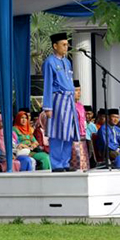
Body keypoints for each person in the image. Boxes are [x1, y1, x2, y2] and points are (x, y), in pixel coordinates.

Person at [42, 32, 80, 172]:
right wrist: (48, 106)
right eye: (63, 44)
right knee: (57, 132)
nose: (66, 47)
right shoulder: (49, 62)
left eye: (67, 44)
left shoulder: (67, 62)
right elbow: (47, 84)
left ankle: (65, 162)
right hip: (58, 99)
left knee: (69, 132)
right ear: (55, 45)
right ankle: (57, 164)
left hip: (69, 100)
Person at [70, 80, 90, 171]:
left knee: (84, 160)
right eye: (76, 90)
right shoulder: (69, 105)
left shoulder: (80, 105)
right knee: (76, 160)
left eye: (80, 90)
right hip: (73, 136)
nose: (79, 93)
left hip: (82, 135)